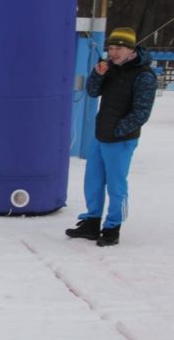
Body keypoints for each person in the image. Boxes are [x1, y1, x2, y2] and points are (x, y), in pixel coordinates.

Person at [66, 27, 157, 246]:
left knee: (116, 185)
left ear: (130, 50)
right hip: (100, 135)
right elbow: (92, 92)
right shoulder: (111, 68)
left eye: (118, 49)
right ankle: (91, 221)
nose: (113, 53)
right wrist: (98, 74)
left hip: (121, 140)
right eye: (111, 48)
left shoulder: (144, 75)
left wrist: (118, 130)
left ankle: (113, 226)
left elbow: (141, 113)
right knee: (93, 182)